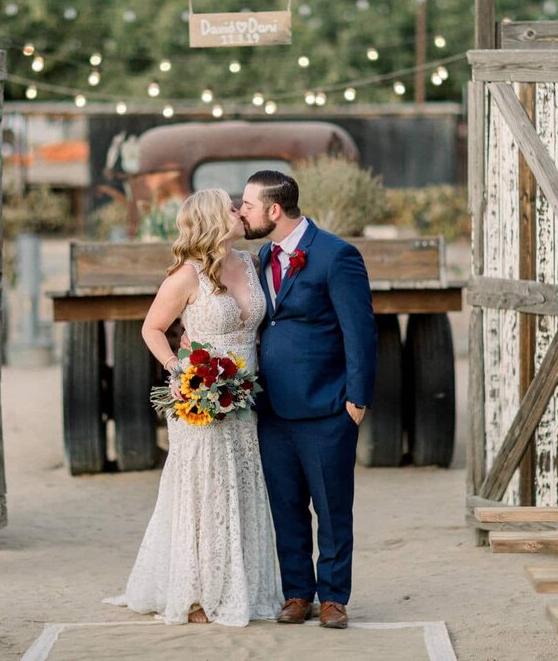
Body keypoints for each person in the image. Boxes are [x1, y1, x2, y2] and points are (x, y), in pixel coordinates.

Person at [104, 189, 283, 627]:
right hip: (199, 400)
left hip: (246, 397)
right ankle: (198, 593)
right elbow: (153, 327)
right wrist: (179, 371)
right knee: (202, 492)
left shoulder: (251, 263)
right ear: (212, 219)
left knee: (241, 487)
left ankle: (244, 585)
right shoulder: (187, 276)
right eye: (231, 207)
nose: (240, 212)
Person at [239, 169, 377, 630]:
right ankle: (297, 592)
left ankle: (334, 597)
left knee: (333, 507)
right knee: (287, 505)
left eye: (248, 205)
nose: (242, 212)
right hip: (273, 408)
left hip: (326, 407)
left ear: (273, 210)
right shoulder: (262, 256)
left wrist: (356, 400)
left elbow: (361, 333)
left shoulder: (336, 256)